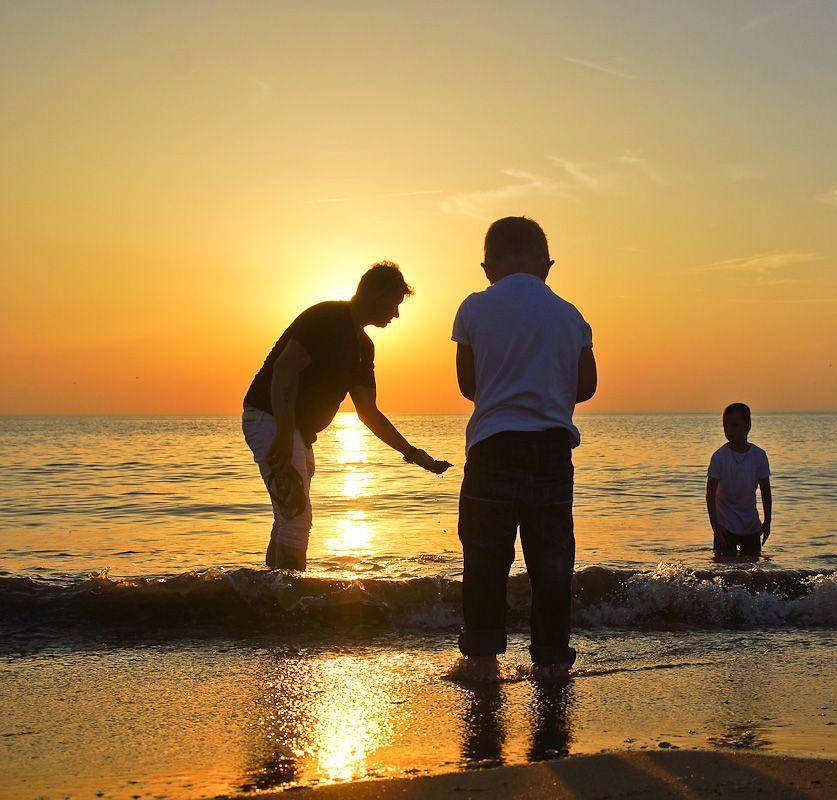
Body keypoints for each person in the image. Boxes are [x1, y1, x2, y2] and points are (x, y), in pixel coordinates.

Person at [452, 216, 597, 680]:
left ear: (487, 266)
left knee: (485, 559)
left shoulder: (474, 308)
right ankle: (552, 660)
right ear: (547, 266)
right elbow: (588, 387)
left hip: (493, 445)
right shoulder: (572, 315)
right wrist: (547, 390)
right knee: (551, 562)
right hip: (552, 449)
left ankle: (482, 659)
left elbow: (468, 385)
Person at [242, 261, 451, 570]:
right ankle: (287, 604)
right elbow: (284, 372)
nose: (395, 314)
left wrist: (413, 454)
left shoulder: (363, 348)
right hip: (270, 419)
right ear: (372, 293)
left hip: (294, 430)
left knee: (288, 518)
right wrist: (284, 436)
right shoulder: (327, 319)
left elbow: (369, 413)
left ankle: (270, 598)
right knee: (296, 518)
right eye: (393, 304)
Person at [706, 403, 772, 558]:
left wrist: (767, 521)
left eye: (735, 426)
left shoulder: (759, 455)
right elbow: (710, 494)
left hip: (751, 526)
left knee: (753, 571)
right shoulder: (719, 457)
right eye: (726, 426)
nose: (729, 431)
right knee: (723, 573)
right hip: (725, 527)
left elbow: (766, 491)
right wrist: (715, 527)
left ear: (748, 426)